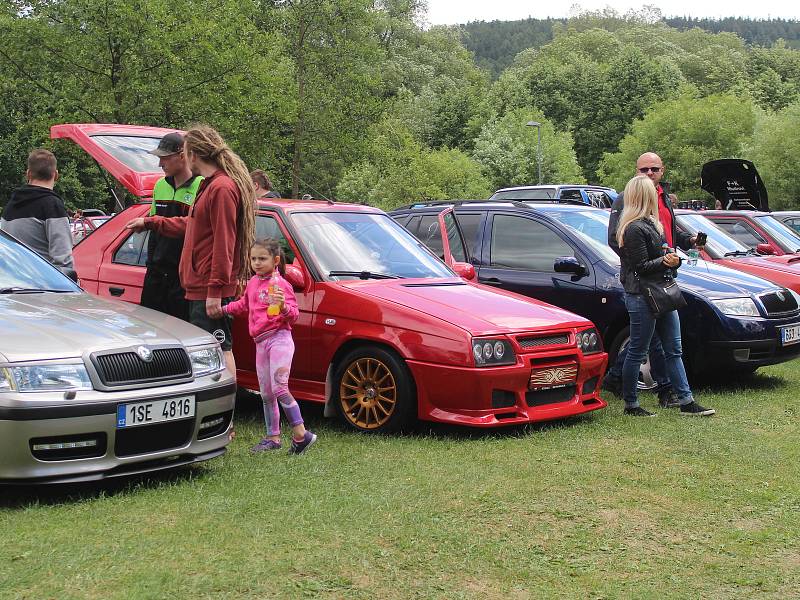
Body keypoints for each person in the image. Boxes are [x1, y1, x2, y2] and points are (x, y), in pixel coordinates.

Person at [125, 126, 256, 377]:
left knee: (218, 349)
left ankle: (224, 412)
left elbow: (224, 241)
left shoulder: (222, 188)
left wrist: (215, 291)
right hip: (199, 285)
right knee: (205, 351)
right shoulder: (210, 186)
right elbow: (194, 226)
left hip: (210, 287)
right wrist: (152, 222)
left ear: (192, 154)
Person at [604, 152, 703, 408]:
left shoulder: (663, 201)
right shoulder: (628, 204)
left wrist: (685, 244)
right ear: (637, 172)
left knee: (662, 344)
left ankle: (680, 396)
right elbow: (619, 242)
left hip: (663, 279)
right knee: (644, 345)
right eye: (644, 170)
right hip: (643, 284)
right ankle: (637, 395)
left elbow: (671, 231)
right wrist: (656, 259)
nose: (649, 173)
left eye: (654, 169)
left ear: (662, 170)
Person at [223, 238, 316, 454]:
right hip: (261, 342)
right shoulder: (254, 282)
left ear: (275, 260)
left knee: (280, 387)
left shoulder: (281, 285)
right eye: (253, 258)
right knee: (265, 393)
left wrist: (283, 305)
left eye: (262, 259)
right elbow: (243, 304)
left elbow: (293, 316)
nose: (256, 263)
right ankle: (273, 438)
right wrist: (223, 309)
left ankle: (302, 434)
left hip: (279, 339)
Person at [140, 132, 203, 321]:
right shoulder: (160, 185)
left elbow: (197, 228)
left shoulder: (202, 185)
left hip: (184, 277)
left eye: (165, 158)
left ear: (182, 156)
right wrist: (151, 266)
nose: (160, 164)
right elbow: (154, 229)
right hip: (157, 275)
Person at [1, 149, 73, 272]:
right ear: (55, 175)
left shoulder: (10, 207)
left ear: (28, 174)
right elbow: (63, 262)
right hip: (40, 285)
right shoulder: (53, 206)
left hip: (11, 282)